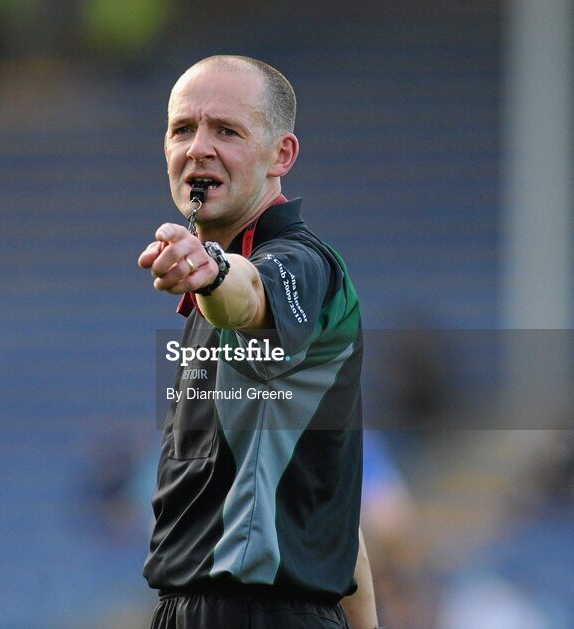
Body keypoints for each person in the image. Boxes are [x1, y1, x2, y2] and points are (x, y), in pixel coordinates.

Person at [137, 55, 378, 629]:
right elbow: (328, 506)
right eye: (182, 129)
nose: (198, 147)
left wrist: (215, 271)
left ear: (282, 155)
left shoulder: (303, 264)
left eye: (227, 130)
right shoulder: (205, 283)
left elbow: (249, 294)